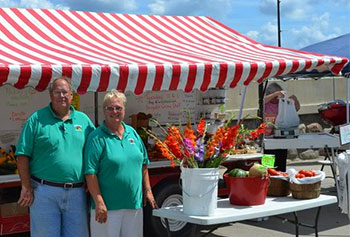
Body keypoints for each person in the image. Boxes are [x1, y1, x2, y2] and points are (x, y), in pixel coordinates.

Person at [15, 77, 95, 237]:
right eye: (57, 92)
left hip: (76, 193)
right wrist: (26, 186)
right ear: (50, 95)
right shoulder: (36, 119)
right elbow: (22, 155)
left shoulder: (83, 120)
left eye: (65, 92)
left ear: (72, 95)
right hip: (44, 192)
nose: (62, 96)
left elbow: (95, 152)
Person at [84, 90, 158, 237]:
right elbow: (90, 172)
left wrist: (148, 190)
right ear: (104, 111)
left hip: (134, 205)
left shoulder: (132, 133)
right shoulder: (96, 137)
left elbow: (143, 163)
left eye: (118, 108)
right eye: (110, 108)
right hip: (107, 208)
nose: (114, 111)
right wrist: (99, 202)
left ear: (124, 109)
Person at [264, 82, 300, 172]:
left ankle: (280, 181)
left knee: (280, 163)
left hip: (281, 137)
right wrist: (275, 94)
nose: (277, 98)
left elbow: (297, 108)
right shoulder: (266, 103)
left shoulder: (282, 103)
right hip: (267, 138)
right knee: (267, 166)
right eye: (275, 95)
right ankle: (267, 180)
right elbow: (262, 100)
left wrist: (295, 101)